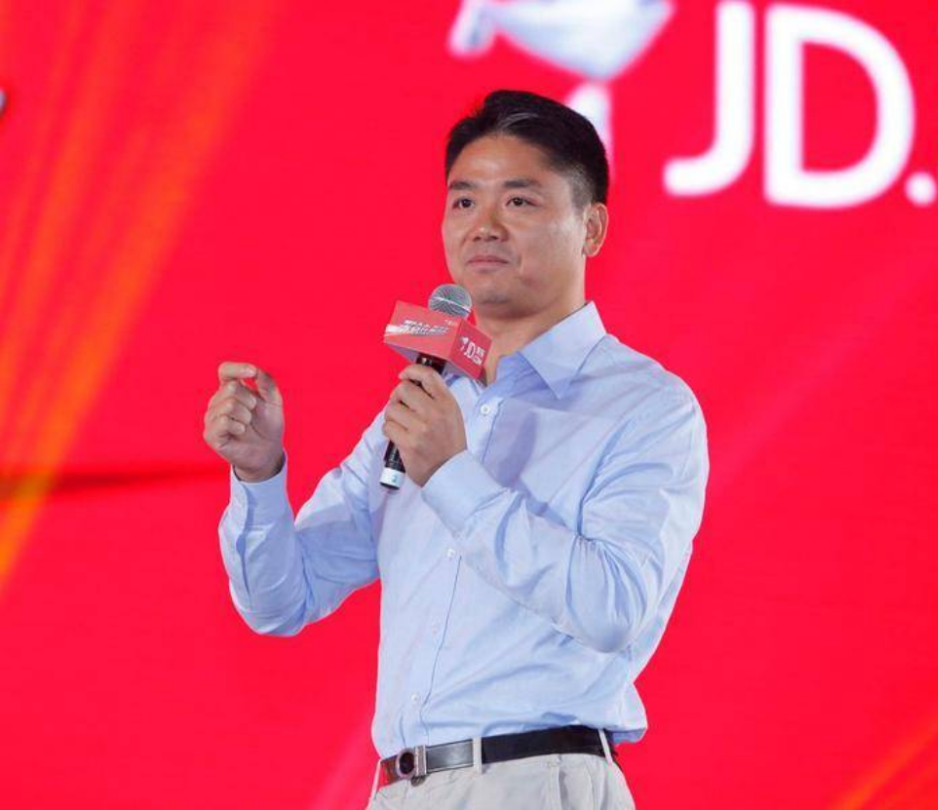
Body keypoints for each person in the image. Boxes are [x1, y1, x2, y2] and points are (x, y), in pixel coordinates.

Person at [204, 89, 709, 810]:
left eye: (520, 201)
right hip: (402, 788)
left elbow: (612, 606)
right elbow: (283, 600)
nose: (484, 226)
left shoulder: (643, 404)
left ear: (591, 227)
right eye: (464, 201)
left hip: (538, 780)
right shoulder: (431, 398)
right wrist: (259, 476)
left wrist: (451, 475)